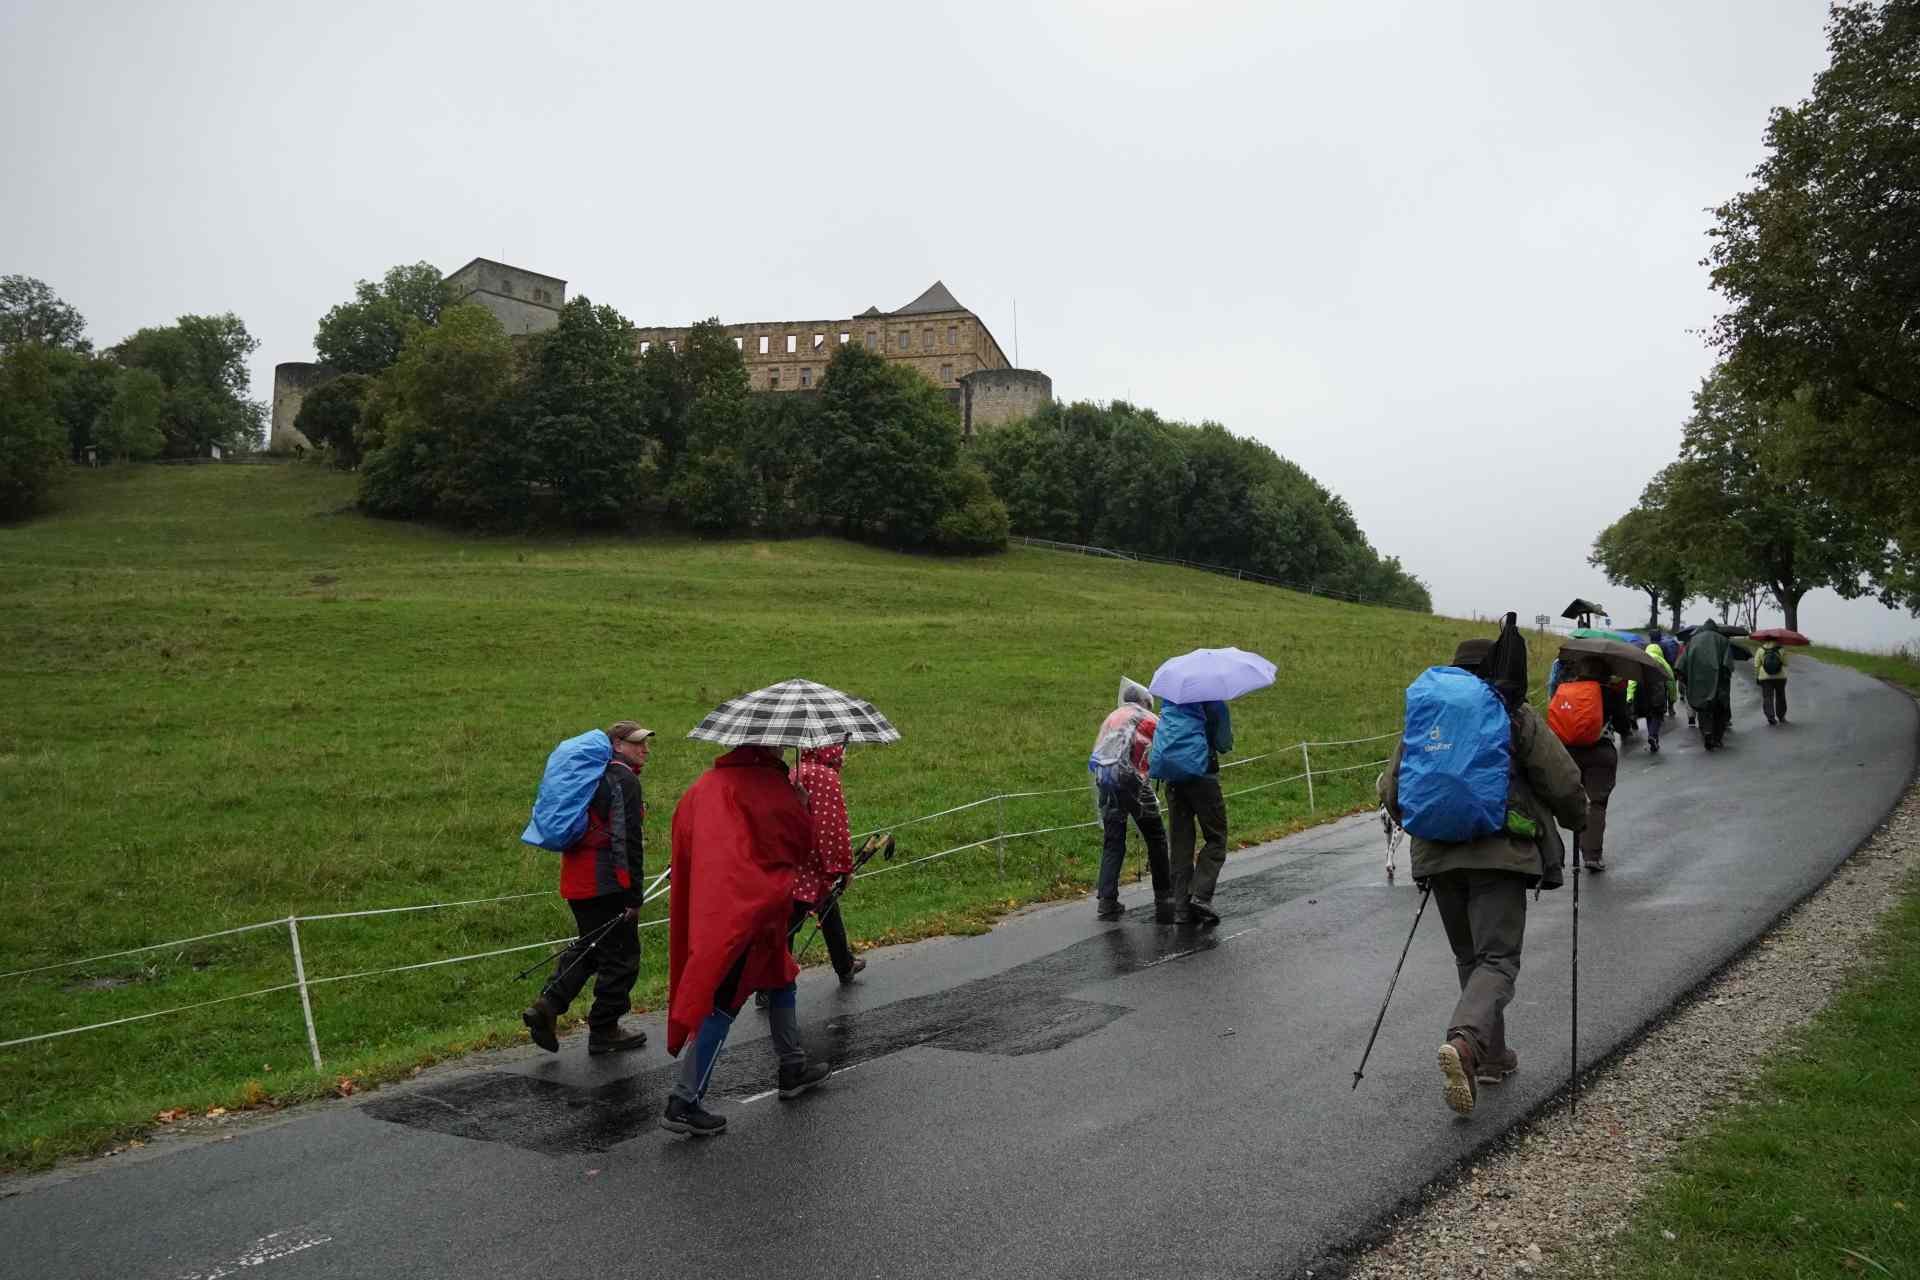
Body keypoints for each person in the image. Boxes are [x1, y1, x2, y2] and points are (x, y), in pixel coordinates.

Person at [1378, 637, 1588, 1117]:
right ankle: (1466, 1043)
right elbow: (1562, 781)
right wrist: (1578, 819)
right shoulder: (1510, 712)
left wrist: (1430, 826)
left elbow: (1392, 789)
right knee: (1498, 960)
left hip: (1437, 857)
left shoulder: (1429, 716)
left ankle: (1491, 1056)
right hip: (1500, 855)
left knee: (1471, 958)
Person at [661, 743, 831, 1137]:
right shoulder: (770, 786)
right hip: (751, 911)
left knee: (781, 977)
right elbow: (797, 845)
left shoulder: (704, 786)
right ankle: (684, 1100)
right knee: (723, 1000)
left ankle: (792, 1066)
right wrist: (801, 805)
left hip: (713, 908)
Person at [521, 722, 653, 1056]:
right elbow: (626, 840)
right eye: (637, 743)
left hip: (577, 880)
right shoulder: (623, 780)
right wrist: (632, 894)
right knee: (621, 958)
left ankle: (547, 1006)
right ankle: (605, 1029)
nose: (645, 749)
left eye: (646, 743)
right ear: (616, 745)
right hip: (607, 883)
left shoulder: (592, 777)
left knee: (592, 947)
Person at [1088, 678, 1173, 922]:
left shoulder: (1112, 717)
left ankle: (1107, 900)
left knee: (1113, 841)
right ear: (1145, 702)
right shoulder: (1146, 718)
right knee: (1156, 837)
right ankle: (1164, 894)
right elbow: (1162, 748)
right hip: (1132, 782)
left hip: (1105, 780)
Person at [1148, 694, 1233, 926]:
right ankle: (1201, 896)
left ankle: (1181, 909)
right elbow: (1224, 744)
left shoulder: (1171, 702)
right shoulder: (1214, 702)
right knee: (1216, 838)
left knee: (1180, 844)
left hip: (1174, 780)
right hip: (1203, 777)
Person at [784, 744, 866, 983]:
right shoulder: (825, 777)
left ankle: (845, 964)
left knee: (827, 907)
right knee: (792, 921)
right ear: (830, 750)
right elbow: (833, 827)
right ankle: (773, 985)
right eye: (841, 749)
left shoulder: (795, 770)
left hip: (792, 858)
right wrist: (844, 866)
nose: (844, 755)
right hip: (813, 864)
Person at [1554, 656, 1621, 871]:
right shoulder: (1609, 692)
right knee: (1597, 802)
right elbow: (1623, 723)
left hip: (1569, 752)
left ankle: (1559, 854)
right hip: (1600, 753)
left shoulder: (1565, 689)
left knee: (1574, 799)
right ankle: (1592, 854)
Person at [1679, 620, 1736, 749]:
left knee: (1703, 709)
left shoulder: (1692, 641)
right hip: (1719, 683)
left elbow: (1681, 664)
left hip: (1698, 683)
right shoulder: (1723, 640)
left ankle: (1707, 733)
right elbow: (1728, 665)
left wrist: (1686, 680)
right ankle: (1718, 738)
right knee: (1720, 710)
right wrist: (1725, 677)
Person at [1637, 639, 1677, 753]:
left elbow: (1633, 680)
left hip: (1643, 693)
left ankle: (1653, 737)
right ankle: (1653, 736)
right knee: (1657, 715)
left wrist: (1629, 696)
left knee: (1649, 715)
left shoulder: (1642, 660)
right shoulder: (1662, 662)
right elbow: (1671, 681)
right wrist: (1672, 698)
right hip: (1658, 692)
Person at [1756, 639, 1789, 724]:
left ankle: (1770, 717)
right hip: (1780, 677)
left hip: (1765, 678)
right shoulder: (1781, 649)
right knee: (1780, 697)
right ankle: (1781, 716)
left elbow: (1757, 665)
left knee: (1767, 697)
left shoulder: (1760, 649)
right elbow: (1786, 663)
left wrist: (1757, 676)